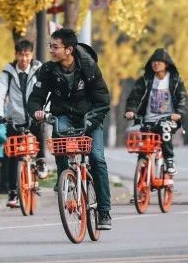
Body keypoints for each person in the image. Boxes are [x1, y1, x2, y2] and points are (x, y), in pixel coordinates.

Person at [28, 28, 113, 230]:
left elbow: (102, 101)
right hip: (63, 115)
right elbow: (35, 98)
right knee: (61, 141)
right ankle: (64, 177)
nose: (51, 50)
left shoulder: (89, 67)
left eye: (55, 47)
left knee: (97, 159)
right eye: (50, 46)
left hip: (90, 117)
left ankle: (104, 211)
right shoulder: (48, 70)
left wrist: (91, 123)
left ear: (69, 50)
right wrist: (37, 111)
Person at [0, 39, 44, 208]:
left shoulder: (39, 70)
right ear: (15, 55)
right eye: (20, 55)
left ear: (32, 55)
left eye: (27, 55)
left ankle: (41, 161)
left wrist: (45, 111)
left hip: (34, 116)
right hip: (14, 118)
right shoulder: (7, 72)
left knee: (39, 133)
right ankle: (12, 192)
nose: (24, 59)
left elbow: (47, 92)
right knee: (12, 154)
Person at [124, 48, 187, 174]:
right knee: (143, 145)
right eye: (153, 61)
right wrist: (130, 110)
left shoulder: (175, 80)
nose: (156, 63)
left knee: (165, 128)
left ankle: (169, 160)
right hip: (147, 120)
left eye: (159, 61)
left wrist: (179, 113)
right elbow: (134, 97)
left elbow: (182, 98)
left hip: (168, 119)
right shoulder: (145, 80)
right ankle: (142, 167)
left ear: (166, 64)